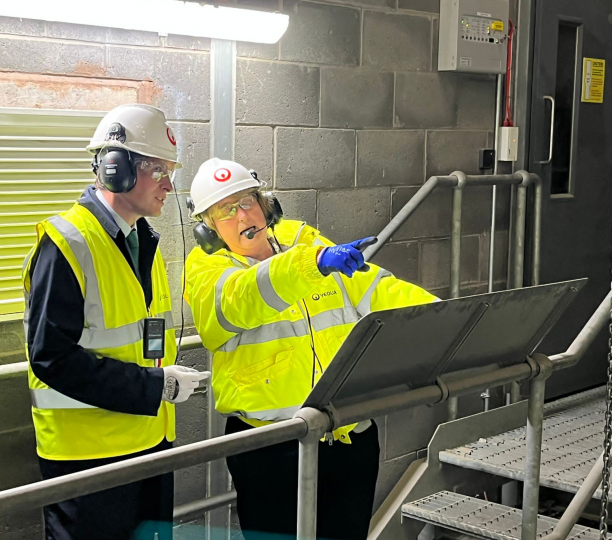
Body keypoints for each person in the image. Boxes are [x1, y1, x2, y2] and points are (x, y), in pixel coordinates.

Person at [183, 158, 438, 540]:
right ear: (208, 228)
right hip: (272, 447)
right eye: (226, 210)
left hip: (348, 434)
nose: (243, 216)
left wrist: (441, 317)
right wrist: (311, 265)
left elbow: (374, 289)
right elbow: (240, 298)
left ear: (266, 203)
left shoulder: (303, 239)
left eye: (248, 201)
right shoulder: (207, 268)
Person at [22, 104, 210, 540]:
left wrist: (161, 377)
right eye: (159, 171)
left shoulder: (143, 241)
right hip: (88, 460)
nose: (169, 186)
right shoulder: (67, 243)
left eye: (170, 172)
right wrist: (154, 386)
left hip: (147, 444)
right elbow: (51, 359)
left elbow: (142, 336)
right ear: (116, 168)